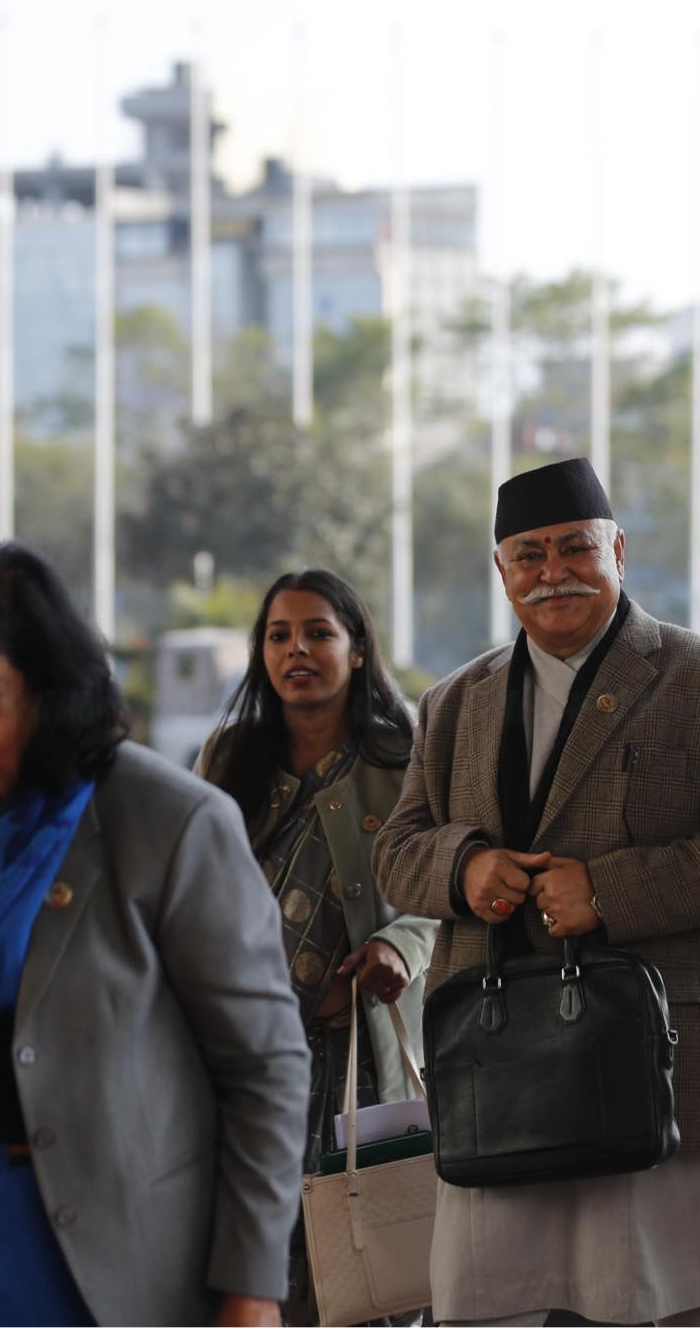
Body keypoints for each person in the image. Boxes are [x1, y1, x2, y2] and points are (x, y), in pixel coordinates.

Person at [374, 457, 700, 1327]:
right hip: (501, 1075)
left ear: (617, 551)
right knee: (489, 1308)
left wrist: (608, 891)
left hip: (674, 1069)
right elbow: (396, 854)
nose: (553, 572)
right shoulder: (453, 704)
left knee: (674, 1303)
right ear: (502, 571)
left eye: (574, 548)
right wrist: (464, 868)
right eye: (529, 555)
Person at [0, 541, 309, 1327]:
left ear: (45, 692)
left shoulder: (166, 821)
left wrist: (251, 1289)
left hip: (109, 1265)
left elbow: (264, 1069)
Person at [194, 567, 437, 1324]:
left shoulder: (406, 756)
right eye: (278, 635)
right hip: (246, 1048)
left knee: (367, 1273)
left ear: (357, 650)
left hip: (355, 1052)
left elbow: (447, 890)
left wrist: (399, 945)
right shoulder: (229, 759)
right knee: (251, 1261)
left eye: (317, 633)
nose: (295, 650)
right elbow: (190, 897)